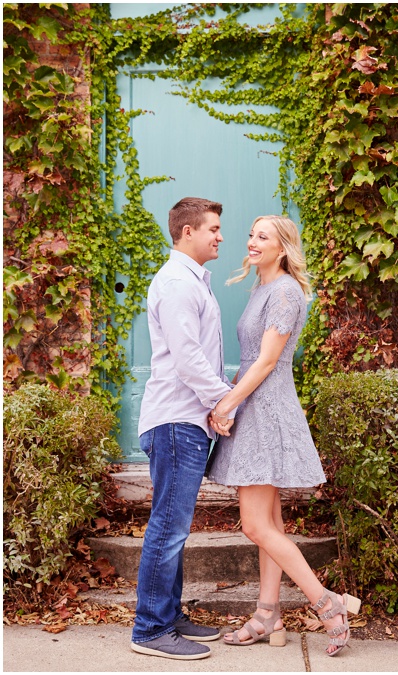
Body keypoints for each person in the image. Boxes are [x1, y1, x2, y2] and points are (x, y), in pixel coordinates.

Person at [206, 215, 361, 656]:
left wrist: (226, 404)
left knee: (255, 525)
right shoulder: (261, 288)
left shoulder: (287, 292)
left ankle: (326, 603)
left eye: (263, 237)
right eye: (251, 234)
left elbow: (267, 361)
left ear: (283, 248)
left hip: (266, 412)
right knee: (270, 524)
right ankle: (267, 614)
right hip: (254, 406)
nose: (252, 242)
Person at [130, 197, 235, 660]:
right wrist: (222, 402)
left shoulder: (191, 280)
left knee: (174, 526)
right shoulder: (175, 282)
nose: (220, 236)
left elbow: (199, 357)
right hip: (176, 420)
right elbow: (188, 357)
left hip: (184, 420)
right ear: (187, 232)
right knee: (168, 528)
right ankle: (151, 630)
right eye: (212, 228)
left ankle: (168, 616)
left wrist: (219, 397)